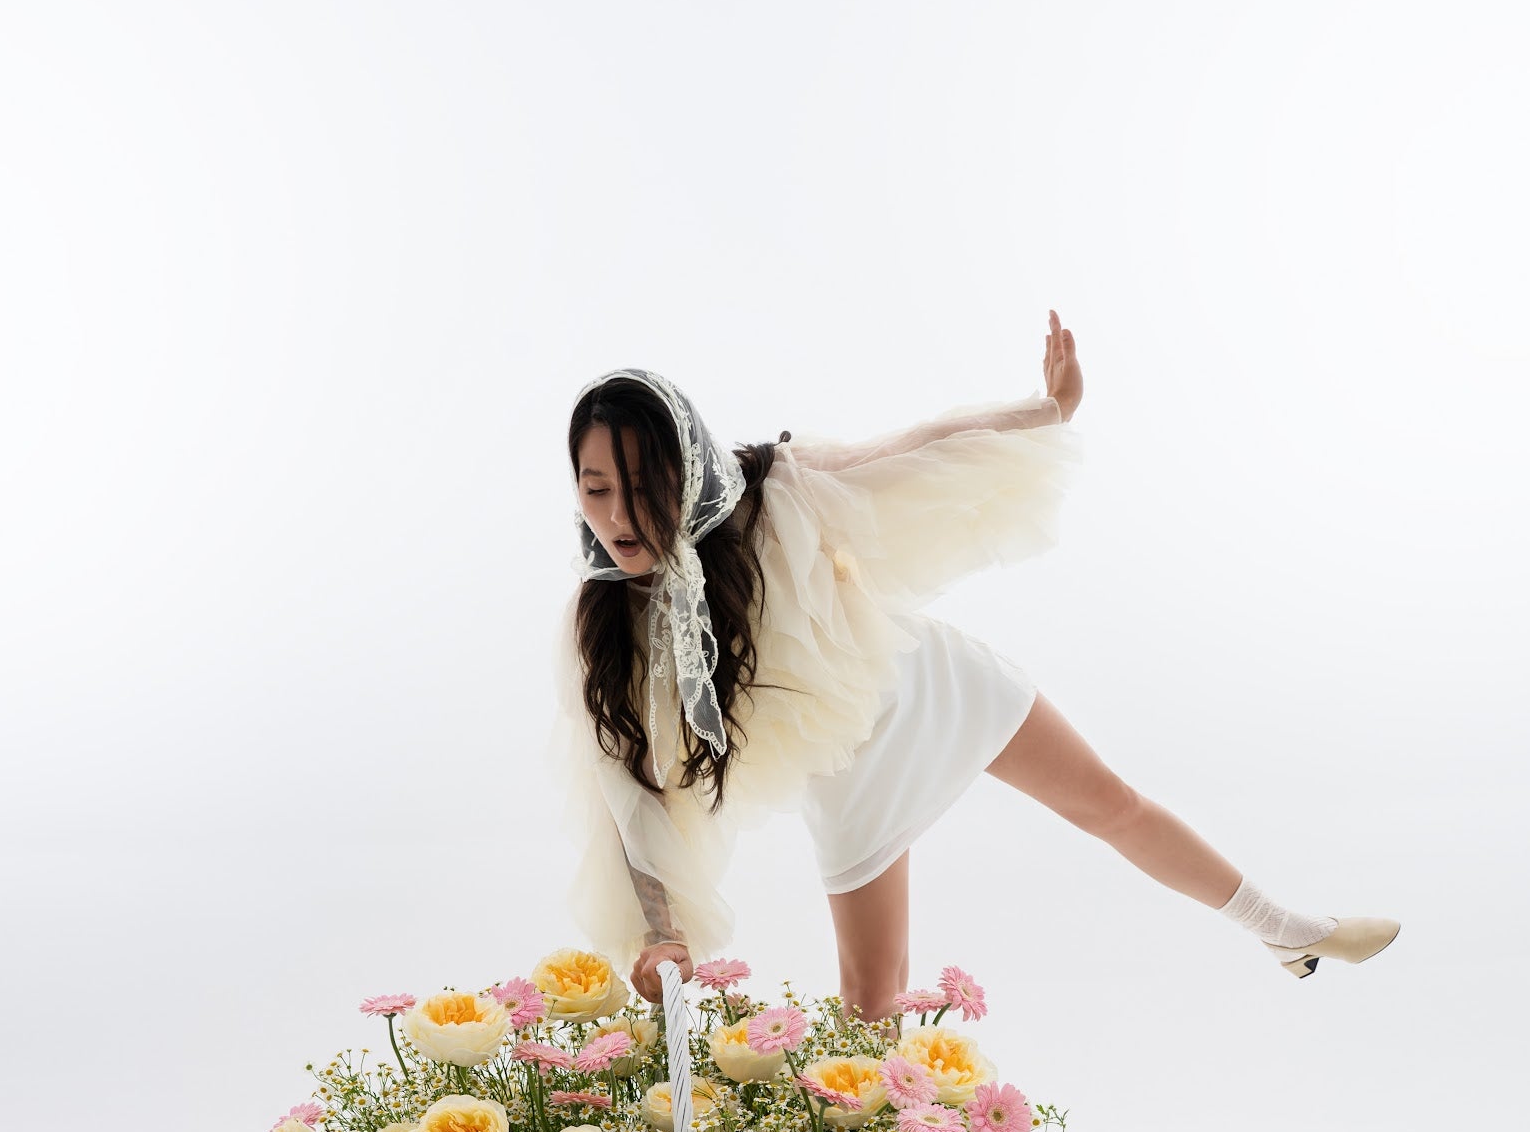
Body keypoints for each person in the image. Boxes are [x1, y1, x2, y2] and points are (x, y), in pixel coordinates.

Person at [549, 314, 1398, 1015]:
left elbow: (914, 448)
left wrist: (1046, 411)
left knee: (1111, 804)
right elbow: (628, 785)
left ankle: (1287, 927)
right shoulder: (607, 621)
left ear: (685, 466)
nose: (619, 516)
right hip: (850, 769)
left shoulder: (775, 490)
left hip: (929, 680)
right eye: (596, 489)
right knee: (871, 992)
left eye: (642, 485)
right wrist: (661, 929)